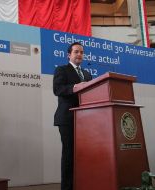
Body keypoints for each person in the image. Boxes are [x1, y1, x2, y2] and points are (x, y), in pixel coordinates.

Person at [53, 42, 92, 190]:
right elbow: (57, 89)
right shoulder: (61, 70)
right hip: (67, 119)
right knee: (69, 155)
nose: (79, 55)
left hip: (85, 120)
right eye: (76, 52)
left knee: (82, 156)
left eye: (82, 52)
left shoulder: (87, 74)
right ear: (69, 54)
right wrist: (75, 87)